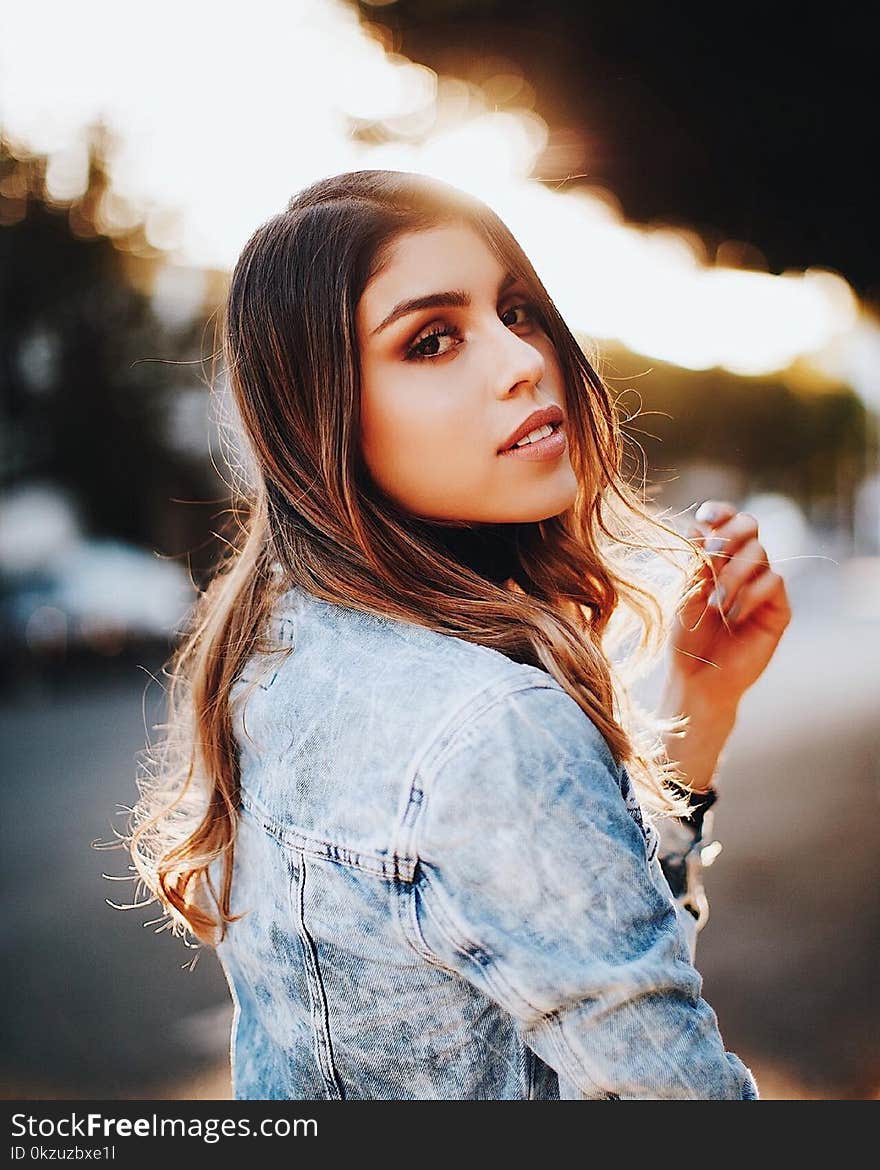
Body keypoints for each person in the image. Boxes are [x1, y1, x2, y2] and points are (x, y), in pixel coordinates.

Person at [123, 169, 791, 1099]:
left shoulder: (272, 645)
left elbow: (589, 969)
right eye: (432, 340)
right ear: (327, 421)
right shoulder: (488, 723)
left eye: (517, 311)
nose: (523, 360)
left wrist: (699, 708)